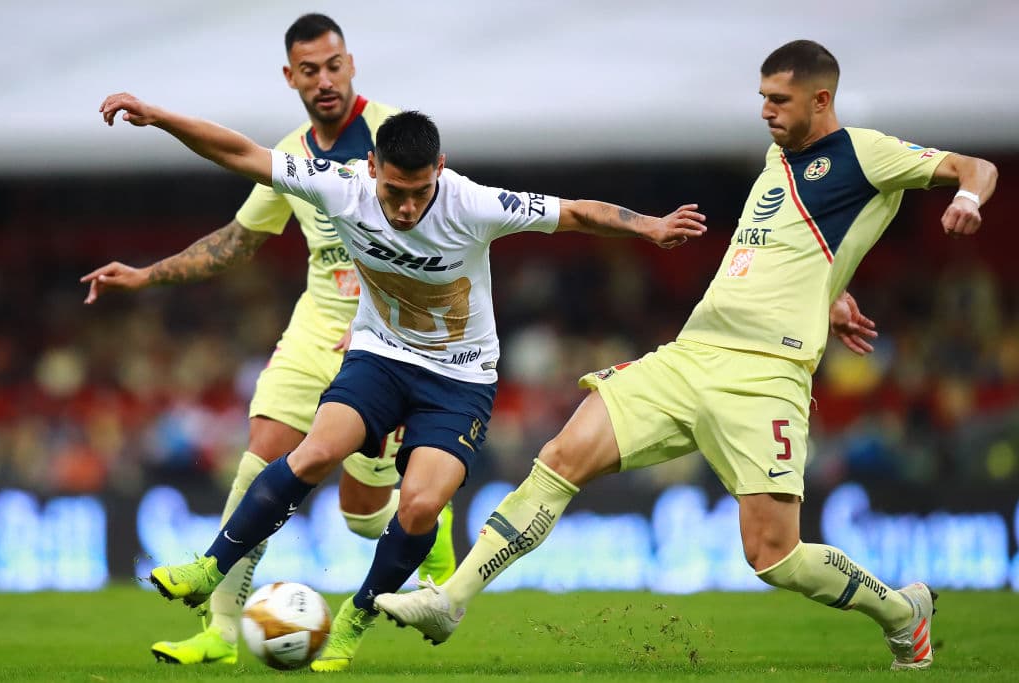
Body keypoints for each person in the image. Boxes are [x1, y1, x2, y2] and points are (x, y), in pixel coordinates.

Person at [373, 39, 998, 672]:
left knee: (774, 556)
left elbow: (977, 167)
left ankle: (901, 612)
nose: (766, 112)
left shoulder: (867, 153)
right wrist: (828, 296)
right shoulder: (778, 158)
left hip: (766, 376)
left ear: (822, 99)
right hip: (692, 353)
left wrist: (967, 200)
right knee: (560, 457)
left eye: (779, 101)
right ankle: (452, 600)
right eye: (762, 99)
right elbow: (791, 250)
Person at [97, 89, 711, 672]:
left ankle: (353, 624)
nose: (408, 207)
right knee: (314, 451)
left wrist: (648, 226)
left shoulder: (473, 203)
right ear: (372, 168)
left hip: (459, 380)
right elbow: (240, 152)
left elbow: (575, 212)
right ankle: (209, 567)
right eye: (395, 191)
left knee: (419, 506)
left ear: (440, 169)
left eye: (420, 192)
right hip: (380, 357)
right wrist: (158, 117)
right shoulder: (340, 189)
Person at [80, 14, 455, 666]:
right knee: (262, 453)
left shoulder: (394, 134)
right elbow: (237, 241)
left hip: (386, 332)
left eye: (334, 64)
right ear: (292, 77)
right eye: (310, 70)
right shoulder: (292, 153)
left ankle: (430, 520)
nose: (325, 79)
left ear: (351, 64)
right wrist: (145, 276)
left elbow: (442, 235)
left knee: (364, 515)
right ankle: (222, 629)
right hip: (315, 327)